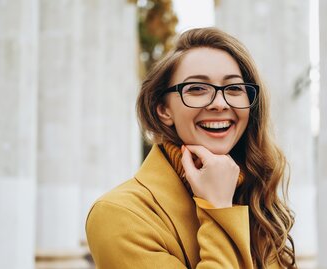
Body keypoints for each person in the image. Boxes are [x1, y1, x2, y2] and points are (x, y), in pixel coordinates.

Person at [86, 27, 296, 269]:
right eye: (197, 89)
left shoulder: (255, 195)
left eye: (234, 88)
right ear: (163, 109)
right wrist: (218, 209)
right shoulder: (119, 214)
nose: (219, 103)